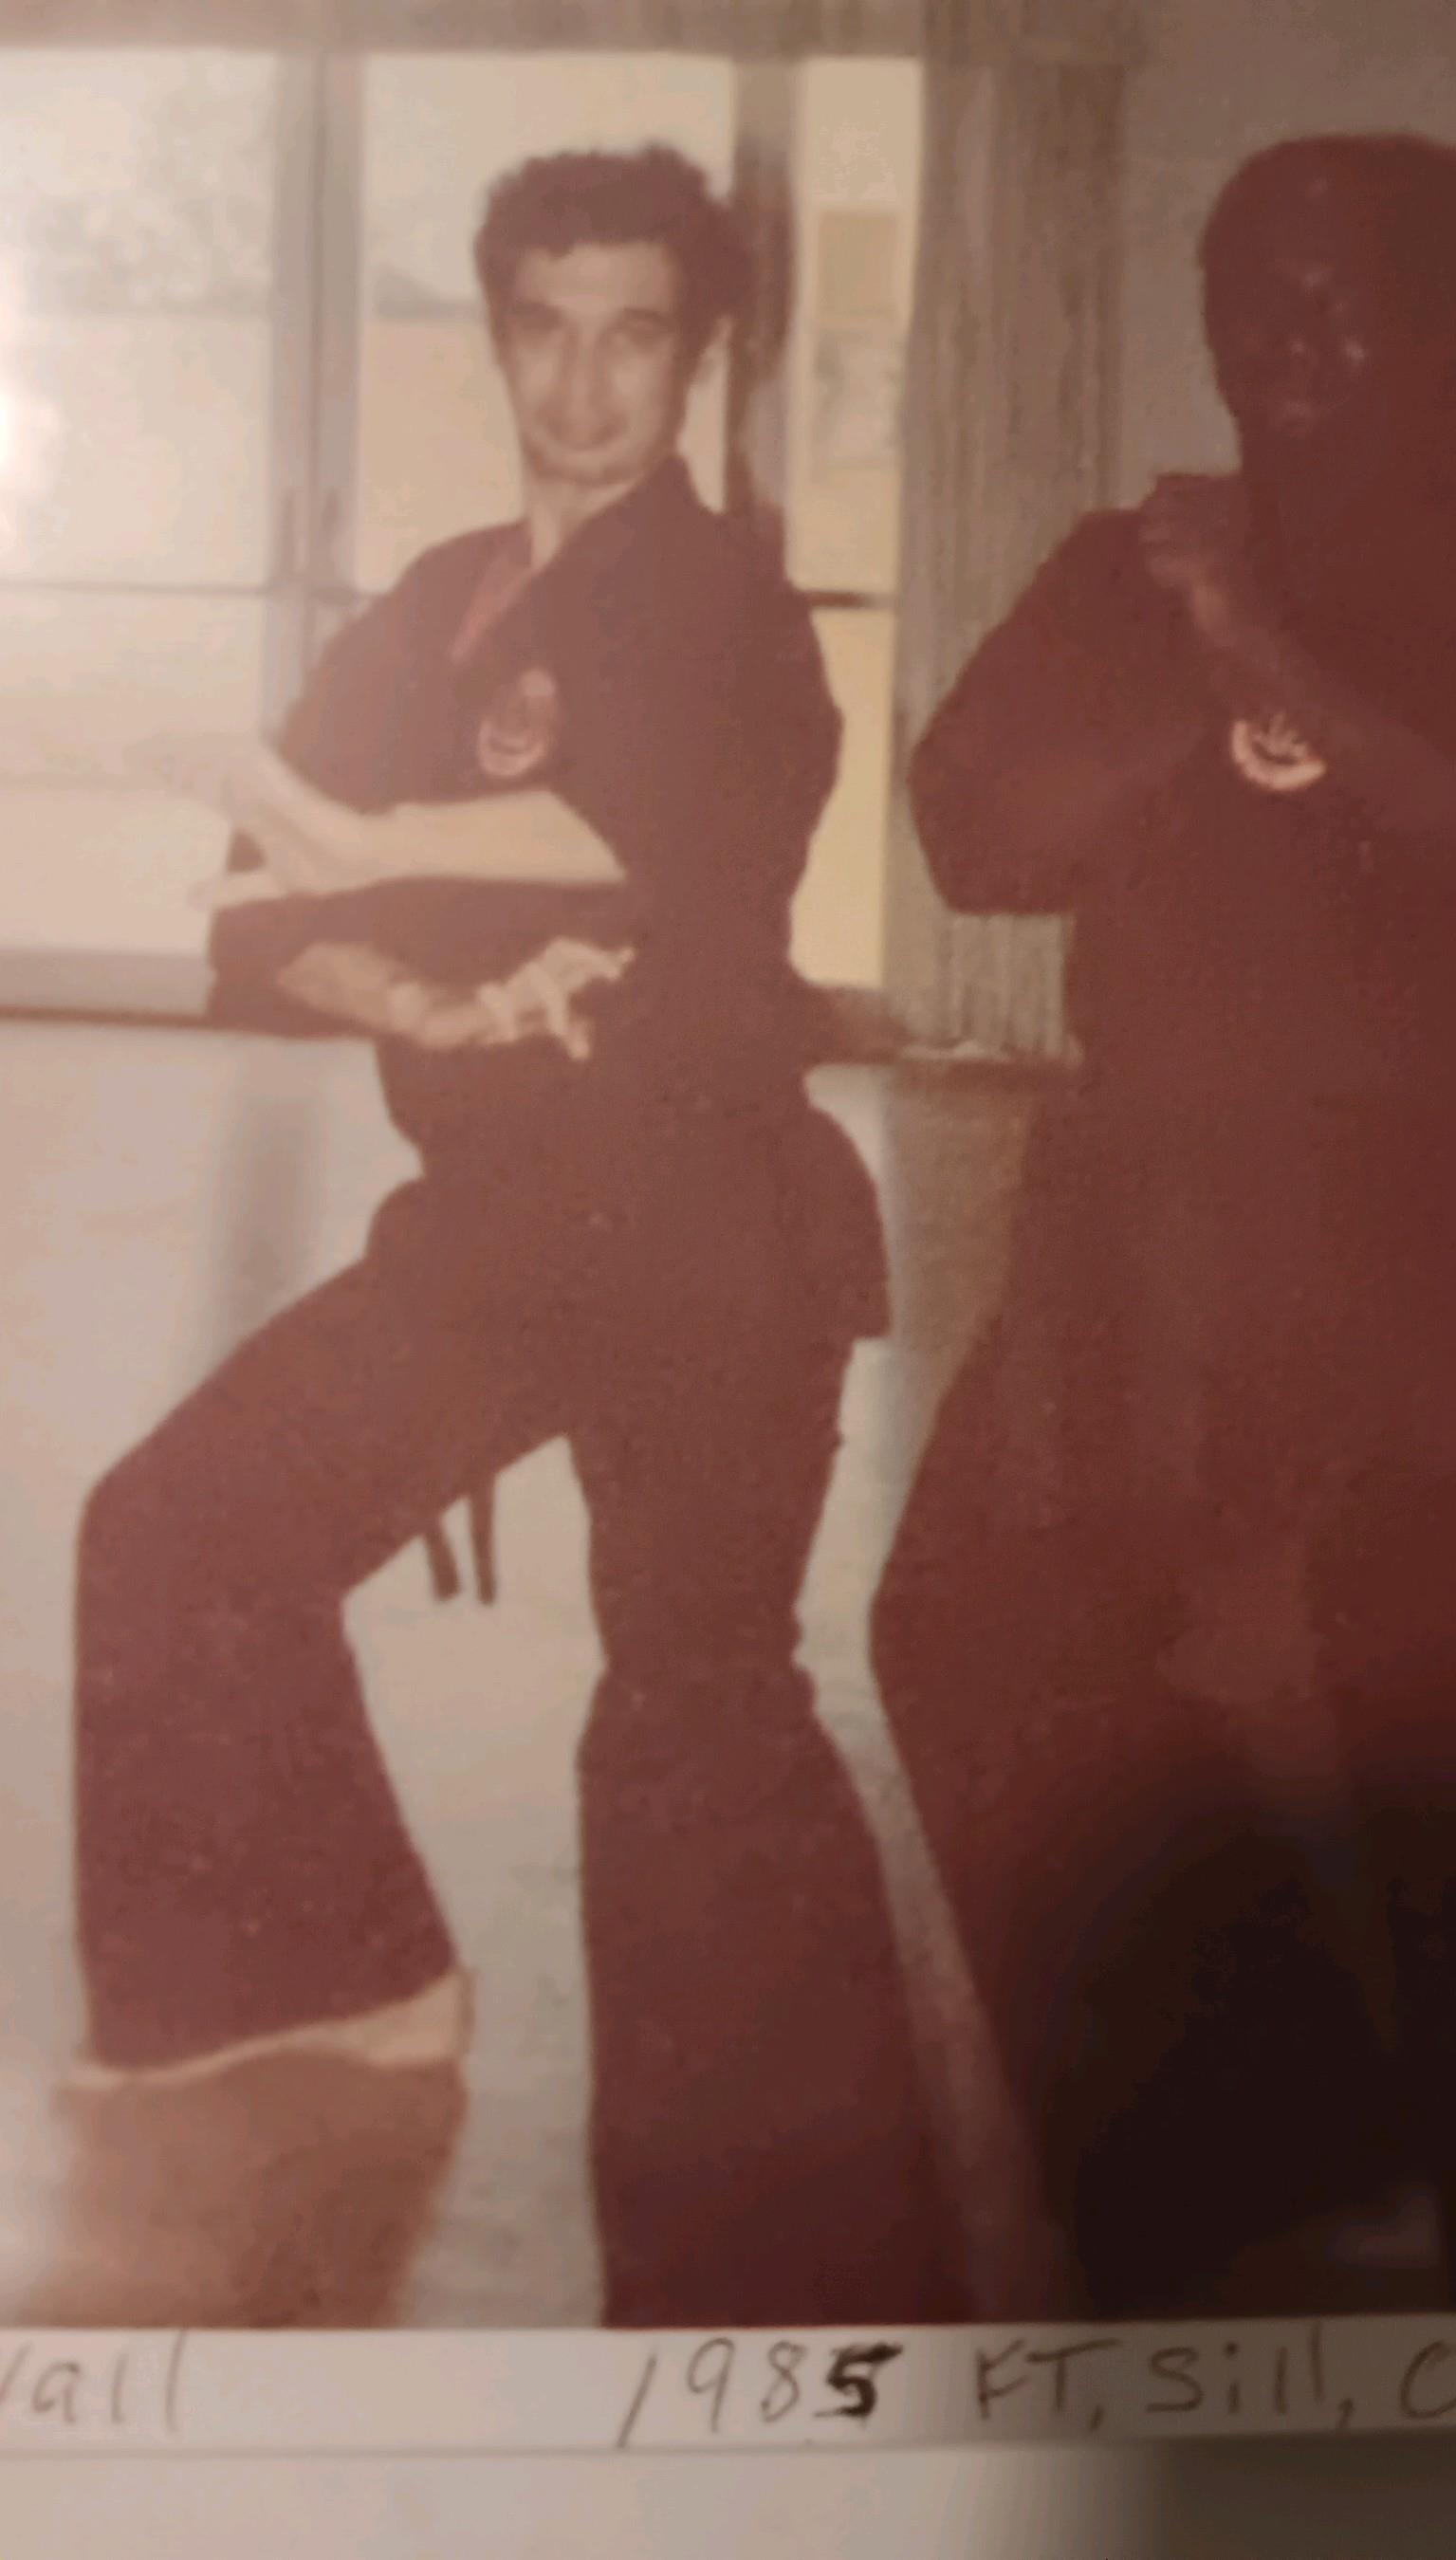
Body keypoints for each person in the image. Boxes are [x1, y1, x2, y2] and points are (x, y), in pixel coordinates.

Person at [874, 133, 1456, 2314]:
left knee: (1442, 1693)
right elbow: (978, 837)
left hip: (1437, 1216)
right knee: (982, 1631)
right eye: (1245, 291)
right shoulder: (1126, 568)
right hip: (1145, 1208)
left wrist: (1261, 644)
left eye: (1340, 294)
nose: (1281, 336)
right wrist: (1179, 661)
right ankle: (1264, 2118)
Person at [68, 144, 957, 2328]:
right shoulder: (437, 601)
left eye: (632, 331)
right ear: (496, 336)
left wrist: (364, 833)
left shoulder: (725, 603)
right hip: (503, 1212)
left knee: (691, 1710)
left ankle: (789, 2288)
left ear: (698, 354)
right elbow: (262, 923)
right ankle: (328, 1974)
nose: (584, 379)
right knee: (181, 1528)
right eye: (544, 325)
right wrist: (429, 991)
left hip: (705, 1228)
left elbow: (639, 824)